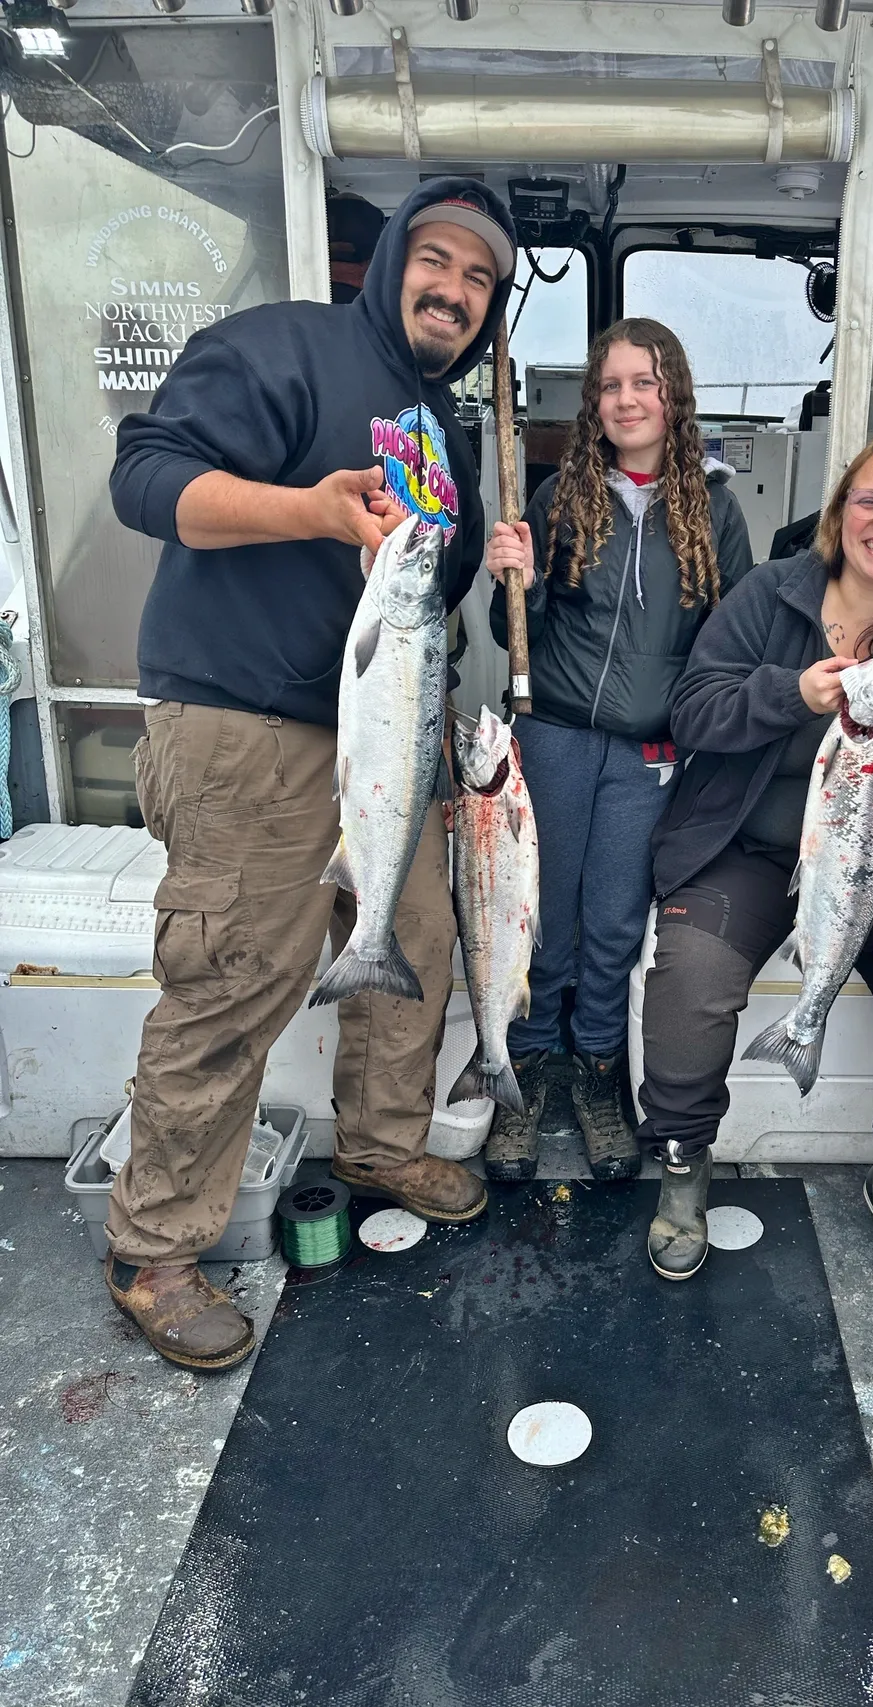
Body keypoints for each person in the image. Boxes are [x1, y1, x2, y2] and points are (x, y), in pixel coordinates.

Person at [103, 179, 519, 1371]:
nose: (451, 288)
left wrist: (487, 560)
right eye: (434, 260)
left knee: (413, 946)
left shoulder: (439, 423)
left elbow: (425, 594)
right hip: (248, 730)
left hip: (387, 740)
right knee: (238, 976)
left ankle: (382, 1142)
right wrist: (306, 509)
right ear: (391, 261)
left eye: (477, 278)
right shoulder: (279, 347)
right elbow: (145, 480)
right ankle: (157, 1246)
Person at [638, 432, 873, 1305]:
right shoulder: (768, 596)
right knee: (688, 978)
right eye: (869, 499)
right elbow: (693, 710)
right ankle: (682, 1164)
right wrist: (791, 693)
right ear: (839, 515)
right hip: (745, 853)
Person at [486, 319, 753, 1184]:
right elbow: (509, 634)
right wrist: (511, 580)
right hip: (553, 737)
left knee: (610, 923)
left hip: (649, 756)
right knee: (542, 921)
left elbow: (731, 641)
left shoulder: (716, 507)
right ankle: (527, 1070)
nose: (628, 398)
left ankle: (600, 1071)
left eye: (645, 382)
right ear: (593, 405)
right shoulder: (561, 500)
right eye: (611, 385)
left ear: (673, 397)